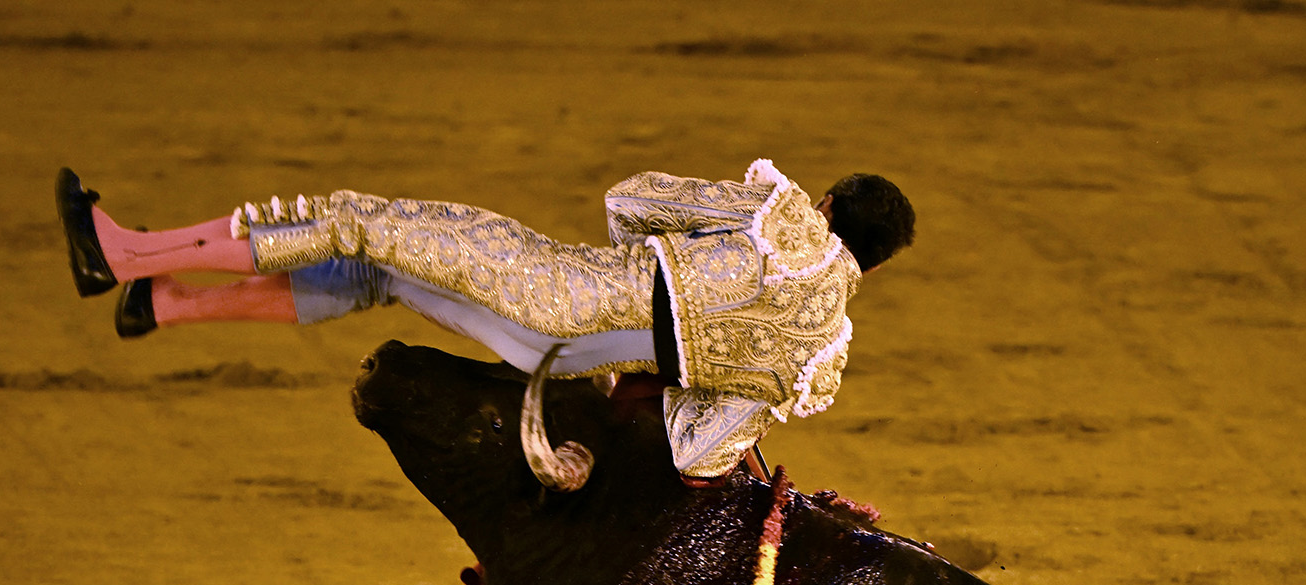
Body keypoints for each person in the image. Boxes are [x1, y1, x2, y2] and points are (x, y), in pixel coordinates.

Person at [55, 161, 914, 480]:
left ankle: (127, 256)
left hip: (546, 285)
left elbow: (634, 197)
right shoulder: (818, 358)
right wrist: (670, 359)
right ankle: (165, 307)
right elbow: (698, 450)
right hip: (560, 357)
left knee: (356, 220)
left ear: (829, 202)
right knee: (379, 273)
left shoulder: (783, 221)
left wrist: (647, 263)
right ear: (871, 262)